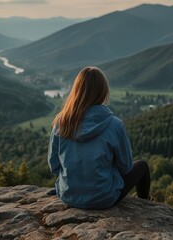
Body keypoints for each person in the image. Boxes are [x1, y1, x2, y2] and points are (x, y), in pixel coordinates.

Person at [47, 66, 151, 209]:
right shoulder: (114, 124)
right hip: (104, 199)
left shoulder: (61, 122)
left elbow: (54, 165)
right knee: (142, 166)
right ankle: (145, 205)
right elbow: (126, 167)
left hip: (68, 196)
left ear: (76, 90)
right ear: (103, 91)